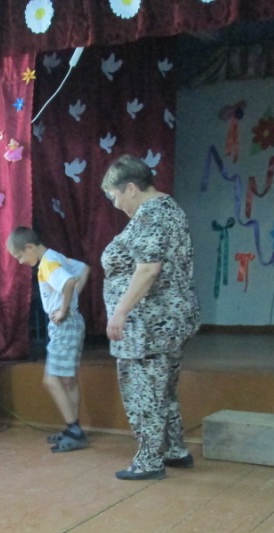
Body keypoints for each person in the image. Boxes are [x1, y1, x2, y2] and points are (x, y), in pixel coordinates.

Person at [100, 155, 200, 480]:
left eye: (115, 196)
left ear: (131, 188)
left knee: (144, 392)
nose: (116, 205)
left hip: (148, 323)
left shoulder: (151, 214)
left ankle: (149, 461)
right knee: (162, 389)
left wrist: (120, 311)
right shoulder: (169, 209)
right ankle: (174, 450)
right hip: (167, 319)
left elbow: (148, 269)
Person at [7, 226, 91, 452]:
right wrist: (71, 302)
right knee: (68, 380)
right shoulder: (56, 256)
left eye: (20, 256)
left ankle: (74, 430)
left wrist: (64, 309)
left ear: (29, 247)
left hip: (64, 325)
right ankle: (73, 428)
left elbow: (69, 282)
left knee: (51, 379)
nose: (21, 261)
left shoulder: (47, 263)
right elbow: (82, 269)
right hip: (72, 323)